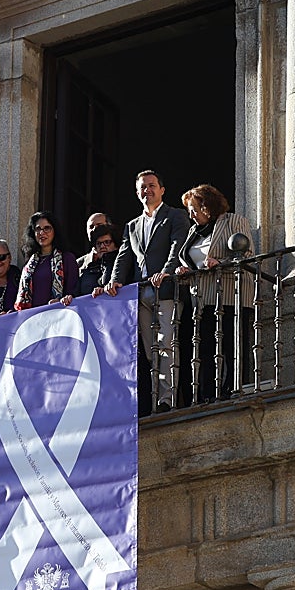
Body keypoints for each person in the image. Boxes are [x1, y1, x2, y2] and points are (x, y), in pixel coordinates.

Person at [106, 170, 190, 412]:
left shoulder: (175, 215)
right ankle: (155, 399)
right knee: (150, 350)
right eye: (143, 187)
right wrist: (115, 280)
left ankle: (168, 400)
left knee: (167, 345)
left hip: (166, 291)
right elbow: (124, 256)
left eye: (152, 186)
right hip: (141, 295)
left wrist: (166, 272)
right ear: (137, 192)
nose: (147, 190)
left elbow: (178, 246)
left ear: (162, 190)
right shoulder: (132, 225)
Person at [176, 183, 255, 402]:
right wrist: (186, 271)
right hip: (202, 297)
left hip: (231, 292)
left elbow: (246, 255)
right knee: (205, 348)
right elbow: (192, 261)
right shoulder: (193, 232)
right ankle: (207, 394)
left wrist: (219, 262)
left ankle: (233, 389)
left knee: (231, 344)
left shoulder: (233, 221)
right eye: (189, 210)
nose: (191, 214)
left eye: (194, 208)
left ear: (206, 204)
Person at [14, 210, 78, 310]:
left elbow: (73, 292)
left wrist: (63, 300)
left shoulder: (67, 259)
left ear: (55, 231)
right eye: (38, 229)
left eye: (47, 228)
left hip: (57, 316)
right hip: (32, 319)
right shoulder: (31, 262)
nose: (41, 233)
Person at [74, 223, 119, 298]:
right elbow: (76, 294)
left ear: (116, 245)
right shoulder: (87, 268)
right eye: (98, 243)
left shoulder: (124, 266)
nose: (102, 246)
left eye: (107, 242)